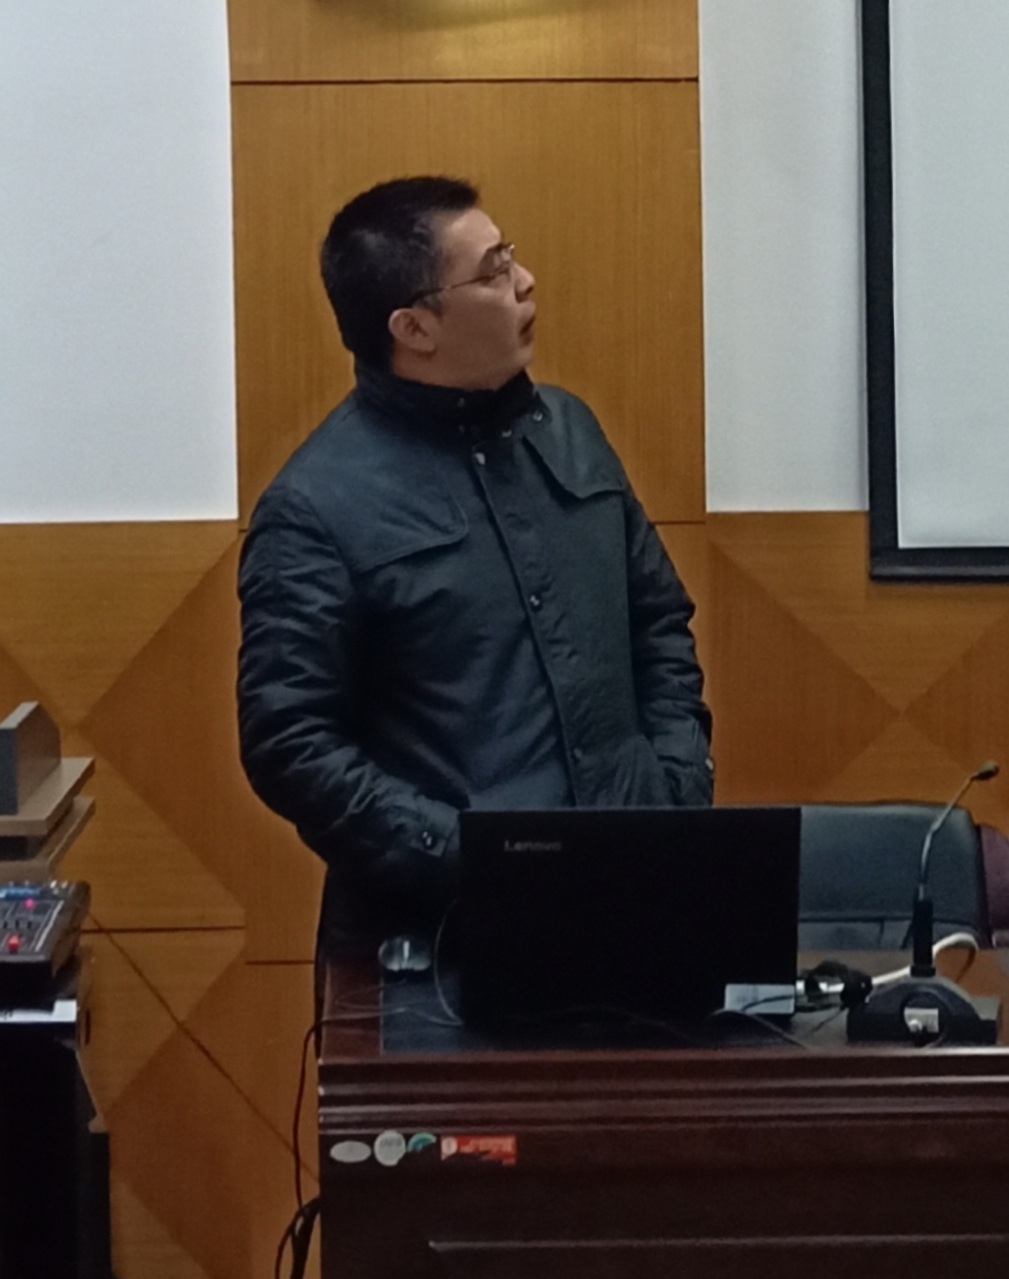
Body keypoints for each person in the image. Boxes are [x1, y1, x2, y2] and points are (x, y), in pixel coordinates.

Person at [237, 175, 711, 954]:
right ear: (414, 327)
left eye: (511, 257)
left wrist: (676, 785)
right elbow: (290, 741)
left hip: (637, 894)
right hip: (444, 938)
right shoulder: (315, 505)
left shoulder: (570, 430)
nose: (525, 282)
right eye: (493, 272)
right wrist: (470, 856)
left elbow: (657, 621)